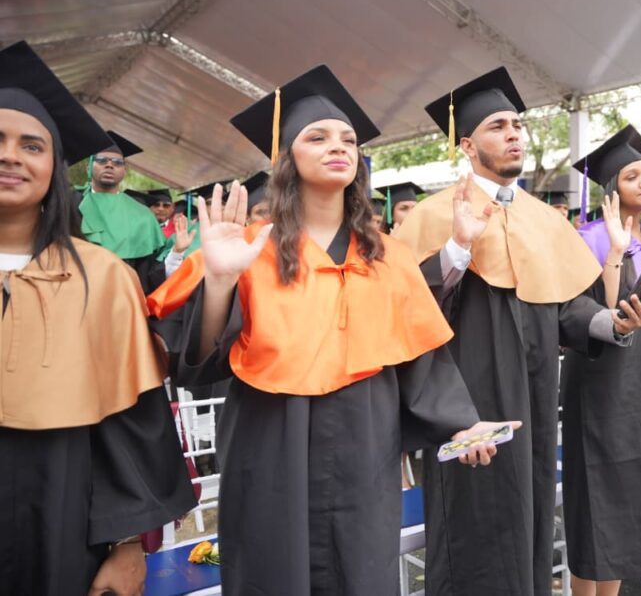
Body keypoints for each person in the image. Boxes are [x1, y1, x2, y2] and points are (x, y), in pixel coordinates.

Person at [149, 64, 512, 594]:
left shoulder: (387, 256)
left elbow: (422, 360)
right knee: (273, 573)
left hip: (365, 444)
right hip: (270, 441)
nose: (337, 146)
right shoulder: (246, 246)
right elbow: (196, 362)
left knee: (361, 570)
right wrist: (222, 280)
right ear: (286, 159)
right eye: (316, 136)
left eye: (348, 138)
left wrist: (462, 424)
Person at [396, 67, 641, 596]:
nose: (514, 133)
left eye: (517, 123)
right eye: (497, 126)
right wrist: (458, 250)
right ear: (467, 145)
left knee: (531, 518)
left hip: (534, 407)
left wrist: (611, 323)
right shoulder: (430, 217)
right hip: (465, 408)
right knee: (473, 533)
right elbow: (409, 310)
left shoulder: (544, 219)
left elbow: (564, 308)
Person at [0, 40, 195, 596]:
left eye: (31, 145)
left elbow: (132, 425)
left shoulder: (102, 277)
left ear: (56, 168)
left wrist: (129, 542)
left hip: (65, 513)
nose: (11, 155)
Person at [561, 126, 641, 596]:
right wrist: (615, 252)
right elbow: (589, 312)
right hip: (602, 384)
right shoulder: (587, 237)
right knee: (599, 496)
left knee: (629, 496)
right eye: (631, 175)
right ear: (610, 189)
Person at [77, 130, 171, 292]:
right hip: (77, 292)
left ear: (125, 170)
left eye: (117, 162)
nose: (109, 165)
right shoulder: (70, 206)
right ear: (88, 167)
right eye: (101, 160)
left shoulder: (143, 216)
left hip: (125, 295)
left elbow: (150, 272)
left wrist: (176, 253)